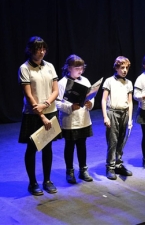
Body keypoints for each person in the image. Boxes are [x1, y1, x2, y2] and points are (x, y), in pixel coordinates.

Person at [18, 36, 60, 196]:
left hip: (50, 111)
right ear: (30, 50)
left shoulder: (49, 66)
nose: (42, 52)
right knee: (32, 148)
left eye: (44, 49)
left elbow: (55, 90)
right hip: (33, 114)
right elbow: (29, 96)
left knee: (48, 147)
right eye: (38, 49)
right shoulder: (25, 68)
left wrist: (46, 104)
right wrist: (41, 114)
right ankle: (32, 182)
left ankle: (47, 180)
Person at [56, 55, 94, 184]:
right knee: (70, 145)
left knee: (82, 145)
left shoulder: (85, 80)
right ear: (68, 68)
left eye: (82, 68)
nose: (80, 71)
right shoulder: (61, 83)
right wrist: (70, 107)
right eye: (77, 68)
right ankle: (69, 171)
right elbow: (57, 103)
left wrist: (90, 103)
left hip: (83, 118)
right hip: (70, 120)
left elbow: (91, 96)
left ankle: (83, 170)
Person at [101, 56, 133, 180]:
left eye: (126, 68)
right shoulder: (109, 81)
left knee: (121, 140)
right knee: (112, 141)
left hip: (124, 113)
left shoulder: (128, 83)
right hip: (113, 113)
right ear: (116, 68)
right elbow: (103, 100)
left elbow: (130, 102)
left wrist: (130, 119)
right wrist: (105, 116)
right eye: (122, 67)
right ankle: (110, 166)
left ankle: (118, 164)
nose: (124, 70)